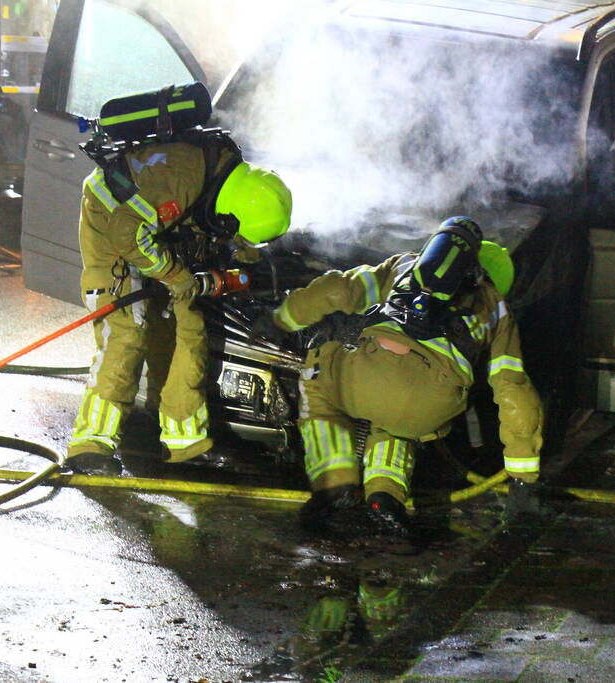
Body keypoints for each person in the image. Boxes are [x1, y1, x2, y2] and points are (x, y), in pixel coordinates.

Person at [254, 216, 542, 536]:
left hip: (365, 377)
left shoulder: (405, 265)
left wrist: (279, 320)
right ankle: (385, 496)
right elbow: (515, 392)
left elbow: (338, 289)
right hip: (432, 406)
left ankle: (336, 486)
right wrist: (522, 479)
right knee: (396, 428)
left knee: (318, 363)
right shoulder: (499, 312)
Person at [67, 133, 292, 475]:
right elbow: (128, 237)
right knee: (126, 332)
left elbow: (229, 229)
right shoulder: (181, 181)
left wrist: (245, 256)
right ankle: (90, 444)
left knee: (192, 327)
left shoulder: (226, 175)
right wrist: (176, 275)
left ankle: (184, 441)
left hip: (159, 227)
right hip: (111, 219)